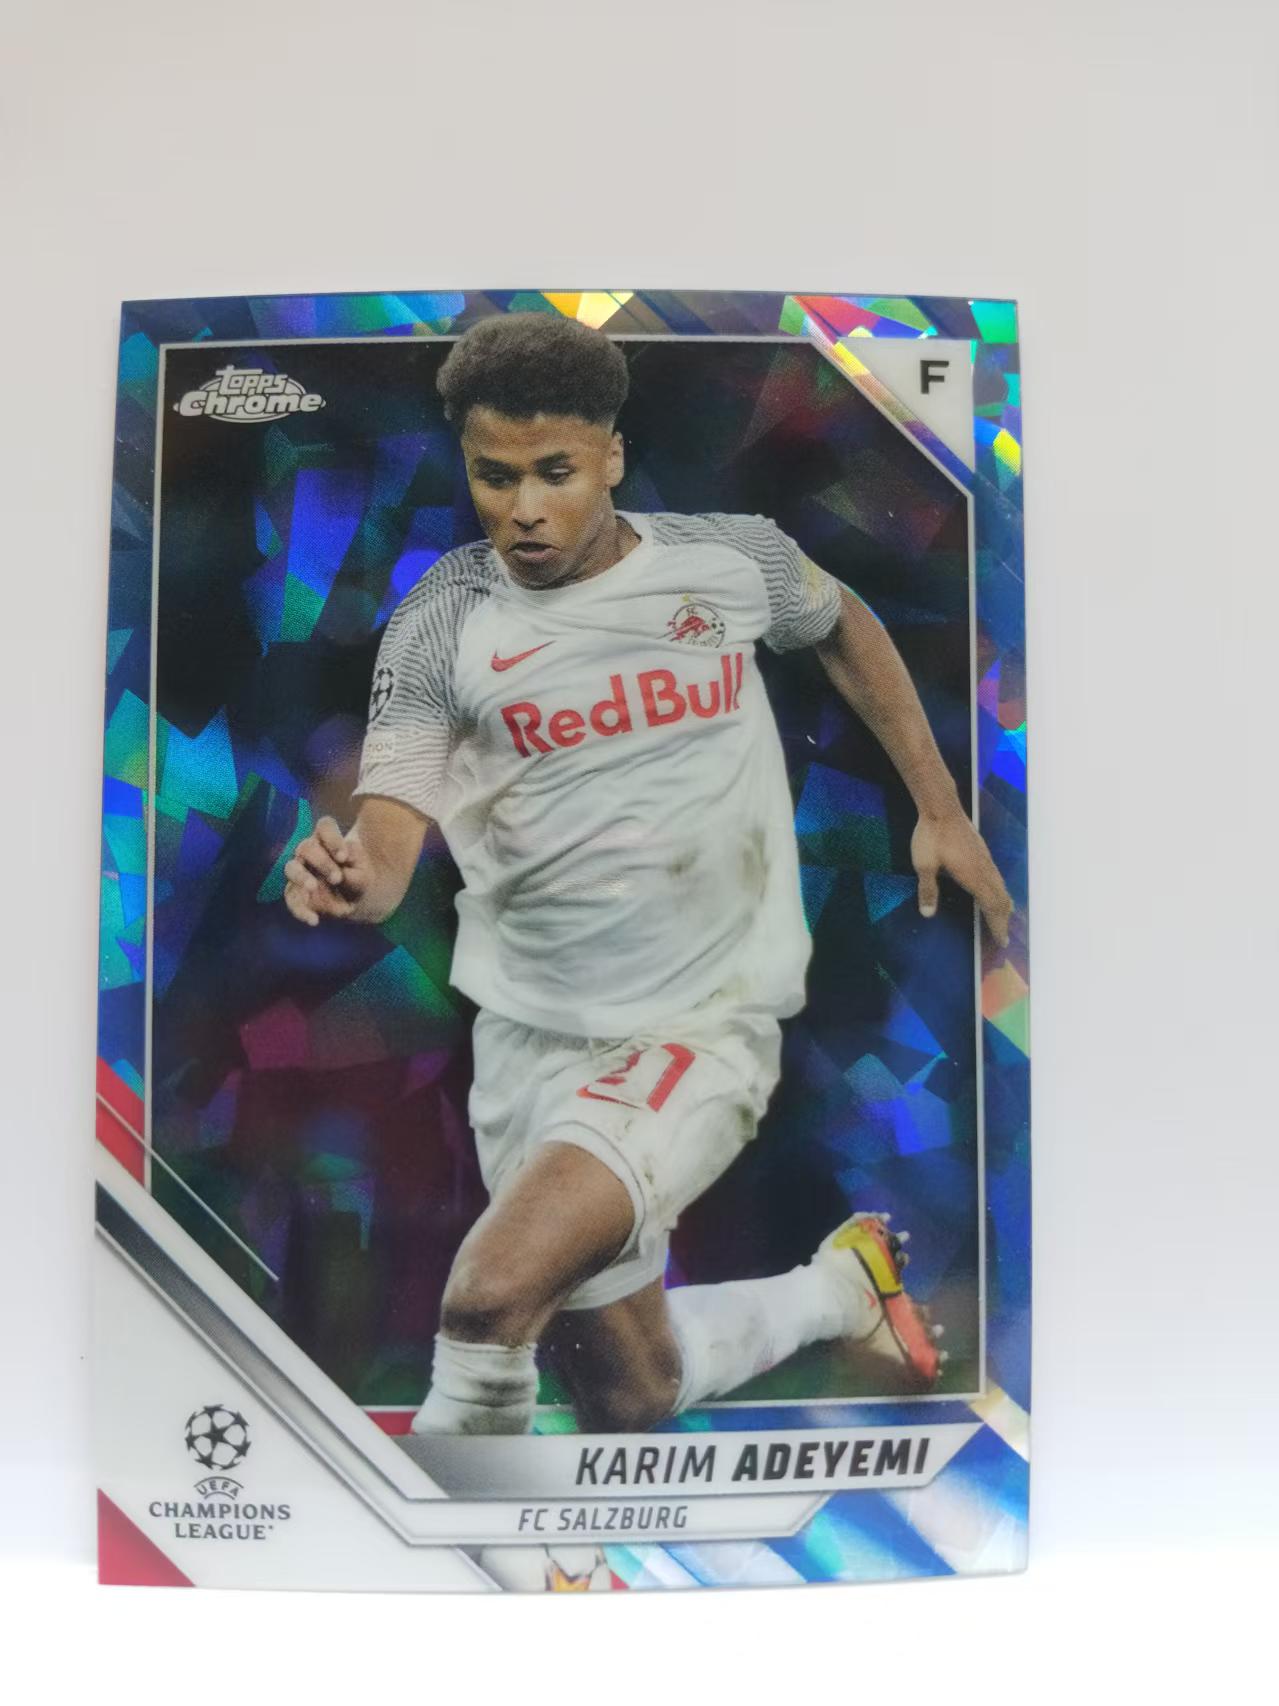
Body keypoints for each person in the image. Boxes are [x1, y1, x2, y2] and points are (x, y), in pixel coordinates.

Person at [283, 313, 1012, 1437]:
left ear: (612, 457)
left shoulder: (727, 562)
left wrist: (940, 806)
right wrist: (346, 876)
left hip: (697, 1024)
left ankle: (439, 1539)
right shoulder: (441, 621)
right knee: (631, 1390)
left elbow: (843, 624)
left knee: (484, 1304)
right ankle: (839, 1288)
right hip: (525, 1042)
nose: (524, 508)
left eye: (555, 472)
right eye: (494, 476)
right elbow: (387, 846)